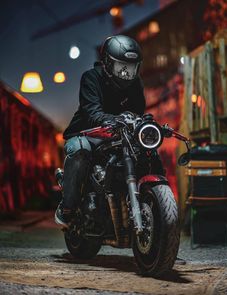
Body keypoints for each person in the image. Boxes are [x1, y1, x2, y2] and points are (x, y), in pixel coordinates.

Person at [55, 35, 163, 228]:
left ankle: (162, 219)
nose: (126, 73)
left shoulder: (136, 83)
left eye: (131, 68)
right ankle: (67, 207)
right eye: (121, 67)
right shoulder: (91, 78)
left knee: (149, 152)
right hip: (88, 133)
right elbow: (92, 112)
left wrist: (143, 121)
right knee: (80, 150)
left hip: (119, 135)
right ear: (107, 63)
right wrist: (113, 120)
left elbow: (137, 112)